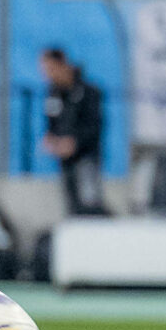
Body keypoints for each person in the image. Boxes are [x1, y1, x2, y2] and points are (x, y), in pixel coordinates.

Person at [38, 48, 108, 216]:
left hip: (86, 157)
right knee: (72, 205)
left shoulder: (87, 92)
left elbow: (95, 126)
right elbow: (51, 122)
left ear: (62, 65)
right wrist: (51, 139)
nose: (48, 75)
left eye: (51, 69)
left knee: (90, 203)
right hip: (66, 160)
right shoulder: (53, 94)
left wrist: (74, 142)